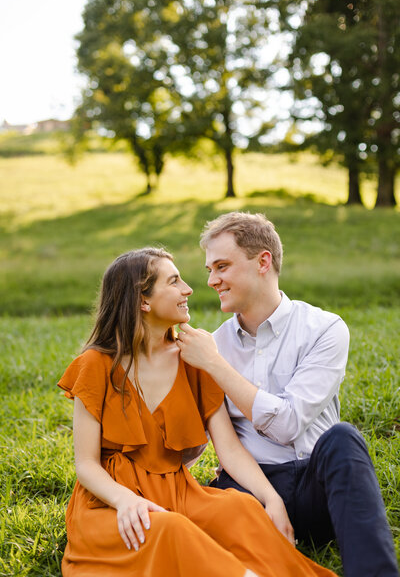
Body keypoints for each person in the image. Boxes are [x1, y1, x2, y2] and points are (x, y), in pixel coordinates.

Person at [57, 247, 339, 577]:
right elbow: (86, 464)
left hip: (179, 491)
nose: (189, 289)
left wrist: (270, 499)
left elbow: (229, 449)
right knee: (169, 528)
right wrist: (124, 501)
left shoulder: (194, 359)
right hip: (110, 501)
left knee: (241, 508)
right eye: (174, 281)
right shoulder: (95, 365)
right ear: (143, 301)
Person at [177, 212, 399, 577]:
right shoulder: (212, 345)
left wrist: (216, 366)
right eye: (209, 269)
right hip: (252, 493)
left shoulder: (324, 329)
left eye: (222, 266)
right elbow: (195, 441)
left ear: (263, 261)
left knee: (343, 438)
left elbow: (288, 424)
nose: (212, 280)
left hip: (321, 489)